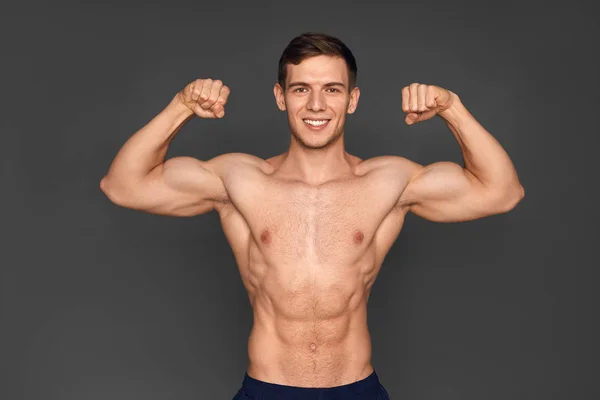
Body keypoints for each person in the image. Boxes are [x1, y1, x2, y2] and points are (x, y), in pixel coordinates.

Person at [100, 32, 524, 399]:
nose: (316, 104)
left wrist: (452, 108)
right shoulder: (239, 179)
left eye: (333, 89)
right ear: (280, 97)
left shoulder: (388, 181)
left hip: (357, 389)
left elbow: (501, 193)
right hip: (268, 389)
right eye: (301, 89)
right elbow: (123, 186)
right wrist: (180, 106)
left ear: (352, 99)